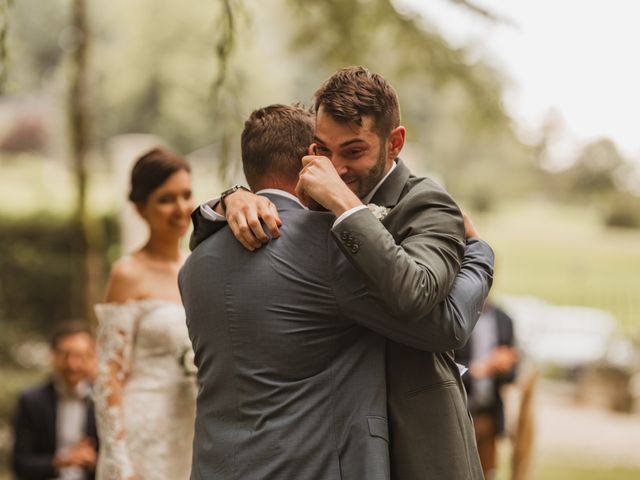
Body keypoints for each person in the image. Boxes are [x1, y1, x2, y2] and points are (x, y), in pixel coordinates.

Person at [190, 66, 486, 479]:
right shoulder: (312, 205)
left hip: (417, 441)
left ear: (394, 142)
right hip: (340, 449)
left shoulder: (427, 204)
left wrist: (479, 252)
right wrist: (231, 199)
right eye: (324, 151)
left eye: (354, 151)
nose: (338, 168)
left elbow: (432, 310)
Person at [93, 147, 196, 480]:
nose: (181, 208)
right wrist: (120, 462)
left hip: (193, 429)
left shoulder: (199, 268)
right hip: (144, 436)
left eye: (186, 195)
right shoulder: (128, 273)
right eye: (166, 199)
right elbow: (108, 373)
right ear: (141, 208)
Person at [12, 321, 98, 480]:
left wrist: (93, 460)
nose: (72, 364)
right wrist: (62, 461)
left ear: (93, 357)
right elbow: (20, 464)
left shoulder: (104, 402)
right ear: (53, 356)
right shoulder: (31, 401)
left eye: (80, 356)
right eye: (65, 355)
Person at [455, 301, 518, 479]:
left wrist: (503, 367)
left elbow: (512, 374)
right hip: (461, 412)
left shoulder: (504, 319)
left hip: (489, 414)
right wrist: (483, 368)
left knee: (487, 473)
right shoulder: (457, 313)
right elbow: (446, 367)